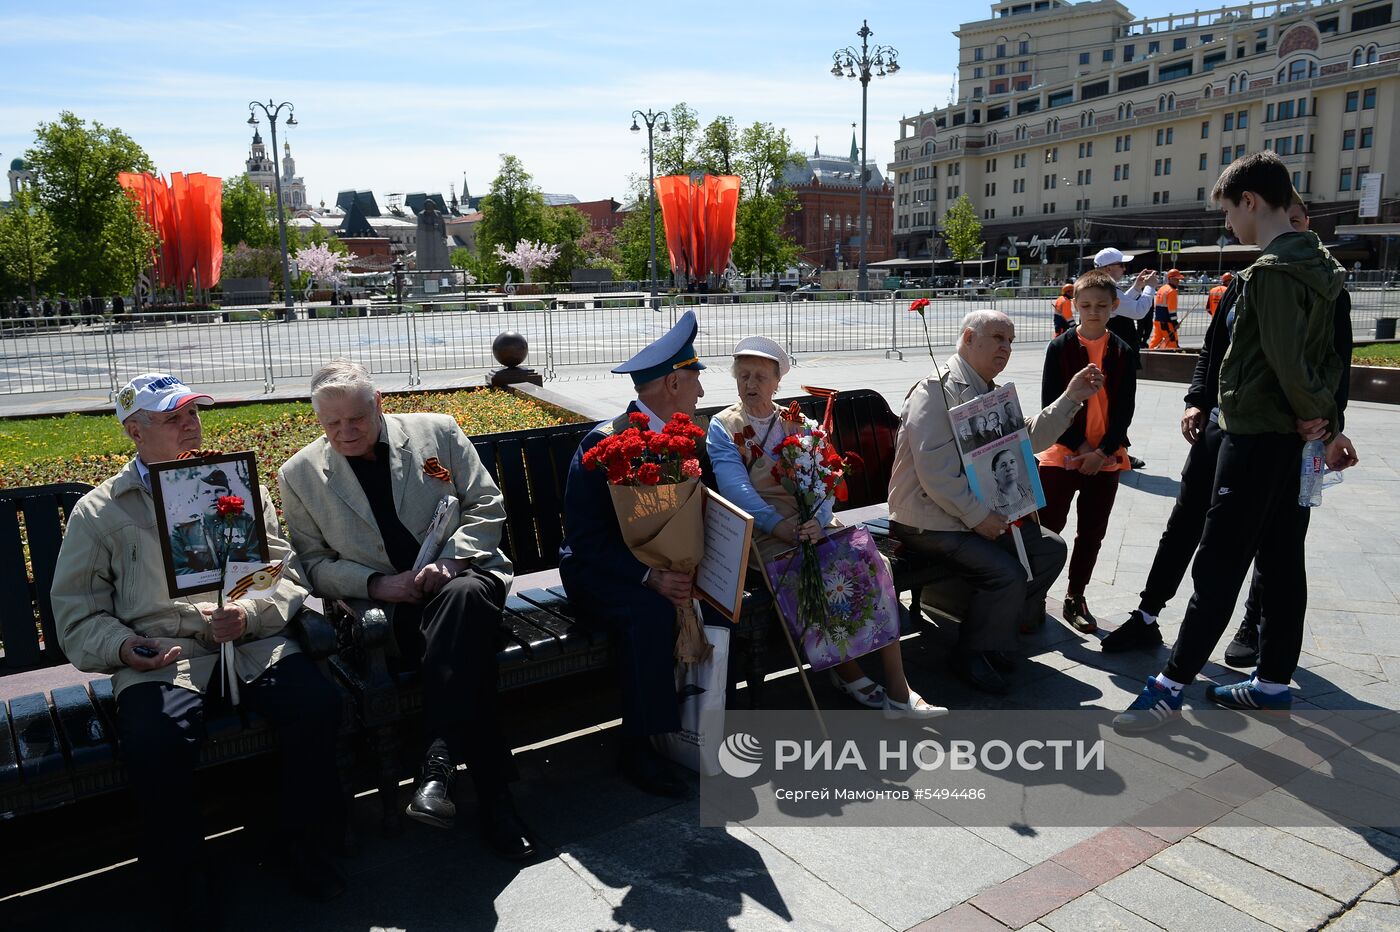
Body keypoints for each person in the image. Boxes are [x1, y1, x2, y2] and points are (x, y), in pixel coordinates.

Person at [50, 373, 345, 924]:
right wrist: (125, 645)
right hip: (164, 657)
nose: (191, 425)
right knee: (156, 742)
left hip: (248, 643)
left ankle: (301, 845)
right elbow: (78, 613)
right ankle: (185, 880)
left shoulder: (237, 484)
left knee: (317, 705)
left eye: (193, 414)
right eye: (174, 418)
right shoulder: (100, 511)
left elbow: (280, 571)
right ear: (134, 431)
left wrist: (250, 612)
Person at [1115, 152, 1347, 732]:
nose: (1228, 225)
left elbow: (1288, 361)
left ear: (1250, 201)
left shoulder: (1268, 274)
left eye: (1228, 210)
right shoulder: (1323, 267)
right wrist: (1325, 424)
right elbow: (1330, 357)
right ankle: (1271, 684)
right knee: (1282, 562)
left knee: (1218, 564)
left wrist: (1314, 413)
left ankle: (1169, 687)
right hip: (1296, 443)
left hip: (1255, 435)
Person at [278, 359, 536, 860]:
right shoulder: (300, 474)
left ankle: (439, 760)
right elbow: (311, 563)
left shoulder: (435, 432)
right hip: (390, 611)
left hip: (465, 578)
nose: (344, 432)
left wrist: (453, 558)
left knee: (460, 601)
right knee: (467, 656)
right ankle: (489, 798)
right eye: (331, 424)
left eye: (355, 419)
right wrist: (377, 584)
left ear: (378, 404)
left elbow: (486, 503)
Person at [707, 335, 945, 717]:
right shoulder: (723, 427)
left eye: (761, 377)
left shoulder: (799, 423)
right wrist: (779, 525)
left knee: (872, 563)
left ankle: (899, 691)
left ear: (777, 381)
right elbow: (736, 490)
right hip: (763, 534)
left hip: (812, 523)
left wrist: (817, 520)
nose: (751, 384)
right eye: (744, 376)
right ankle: (848, 672)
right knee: (809, 571)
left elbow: (825, 479)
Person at [887, 309, 1102, 694]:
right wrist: (979, 516)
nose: (1006, 347)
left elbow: (1027, 440)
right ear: (969, 338)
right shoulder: (935, 390)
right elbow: (934, 472)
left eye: (1011, 341)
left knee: (1049, 550)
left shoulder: (990, 393)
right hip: (928, 521)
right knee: (1007, 573)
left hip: (964, 517)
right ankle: (972, 653)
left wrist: (1070, 399)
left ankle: (995, 632)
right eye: (998, 338)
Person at [560, 311, 714, 796]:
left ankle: (707, 731)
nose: (701, 393)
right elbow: (585, 541)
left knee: (719, 599)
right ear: (672, 382)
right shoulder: (606, 443)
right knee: (649, 613)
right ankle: (640, 748)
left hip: (663, 567)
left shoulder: (685, 438)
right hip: (601, 573)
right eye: (694, 380)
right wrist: (649, 577)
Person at [1035, 270, 1136, 634]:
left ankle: (1075, 595)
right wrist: (1081, 447)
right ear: (1074, 305)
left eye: (1101, 305)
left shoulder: (1123, 351)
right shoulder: (1060, 347)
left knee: (1092, 532)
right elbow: (1051, 401)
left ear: (1114, 307)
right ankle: (1033, 593)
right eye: (1086, 305)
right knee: (1048, 528)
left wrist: (1102, 451)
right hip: (1062, 453)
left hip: (1106, 459)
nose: (1093, 312)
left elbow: (1125, 408)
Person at [1093, 247, 1155, 469]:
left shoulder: (1103, 287)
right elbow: (1137, 311)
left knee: (1113, 403)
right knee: (1120, 404)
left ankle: (1115, 450)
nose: (1124, 268)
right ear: (1109, 268)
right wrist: (1149, 289)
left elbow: (1120, 306)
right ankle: (1116, 452)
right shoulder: (1109, 290)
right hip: (1118, 356)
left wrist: (1137, 287)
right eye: (1121, 265)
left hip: (1111, 353)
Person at [170, 468, 259, 575]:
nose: (213, 497)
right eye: (206, 492)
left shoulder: (247, 523)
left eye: (219, 491)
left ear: (229, 494)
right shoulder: (183, 530)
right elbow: (179, 571)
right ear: (197, 497)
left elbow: (256, 561)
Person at [987, 448, 1034, 516]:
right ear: (995, 474)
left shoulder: (1032, 492)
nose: (1009, 468)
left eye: (1012, 462)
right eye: (1003, 465)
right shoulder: (992, 506)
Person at [1148, 269, 1183, 350]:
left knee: (1156, 340)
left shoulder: (1162, 288)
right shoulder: (1172, 291)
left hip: (1158, 320)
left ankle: (1148, 354)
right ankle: (1172, 359)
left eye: (1179, 279)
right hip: (1166, 322)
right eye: (1177, 279)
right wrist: (1175, 323)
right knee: (1172, 342)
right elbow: (1172, 310)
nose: (1178, 281)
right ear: (1170, 278)